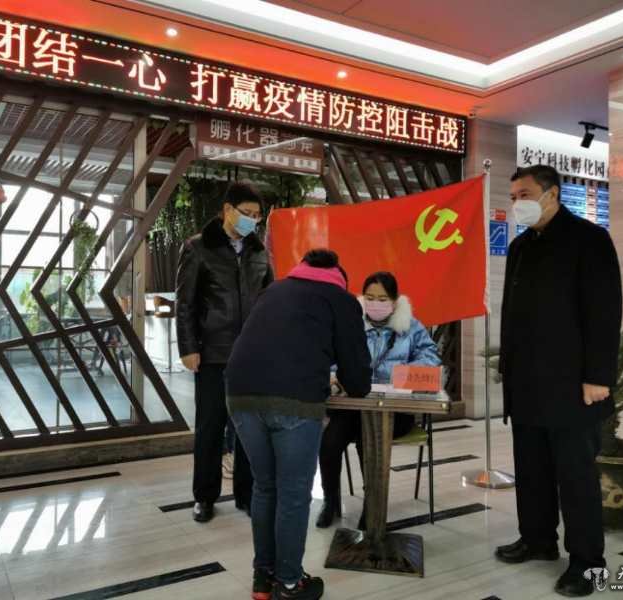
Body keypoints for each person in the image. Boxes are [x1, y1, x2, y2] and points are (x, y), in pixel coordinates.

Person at [497, 165, 622, 598]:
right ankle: (537, 540)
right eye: (513, 196)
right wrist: (506, 370)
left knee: (575, 477)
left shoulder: (589, 239)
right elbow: (512, 314)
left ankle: (587, 563)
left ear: (551, 194)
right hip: (526, 384)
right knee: (531, 470)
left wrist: (598, 376)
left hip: (572, 385)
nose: (518, 203)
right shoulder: (520, 246)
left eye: (525, 194)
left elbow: (604, 312)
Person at [225, 249, 371, 600]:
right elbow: (358, 379)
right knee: (292, 494)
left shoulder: (273, 290)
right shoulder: (341, 299)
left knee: (266, 487)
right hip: (294, 401)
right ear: (339, 277)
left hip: (240, 395)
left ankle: (264, 579)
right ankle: (290, 584)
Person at [176, 181, 274, 523]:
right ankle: (204, 496)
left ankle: (246, 494)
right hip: (213, 354)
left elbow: (270, 302)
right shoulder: (198, 247)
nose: (252, 221)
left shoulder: (259, 252)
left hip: (252, 356)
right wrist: (188, 347)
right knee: (210, 427)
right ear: (227, 210)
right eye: (247, 213)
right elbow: (185, 303)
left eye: (257, 216)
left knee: (249, 428)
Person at [316, 271, 441, 529]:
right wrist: (334, 376)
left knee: (369, 438)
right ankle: (330, 501)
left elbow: (431, 357)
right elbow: (331, 357)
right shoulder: (351, 324)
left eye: (382, 299)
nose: (375, 303)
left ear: (394, 301)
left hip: (396, 411)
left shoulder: (411, 327)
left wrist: (403, 374)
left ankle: (372, 505)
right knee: (329, 442)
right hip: (355, 407)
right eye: (370, 297)